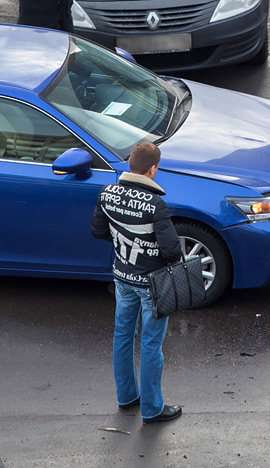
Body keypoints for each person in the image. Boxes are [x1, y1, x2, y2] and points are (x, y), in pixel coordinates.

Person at [90, 141, 184, 424]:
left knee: (123, 335)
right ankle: (152, 408)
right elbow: (172, 251)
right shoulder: (156, 204)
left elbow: (97, 231)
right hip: (151, 285)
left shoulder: (107, 193)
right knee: (151, 344)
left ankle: (126, 396)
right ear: (152, 170)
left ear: (130, 163)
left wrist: (125, 243)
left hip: (122, 277)